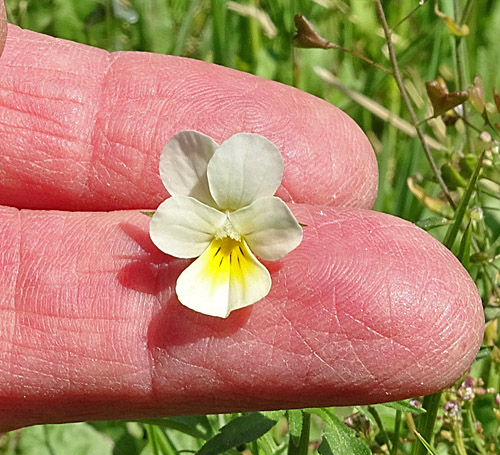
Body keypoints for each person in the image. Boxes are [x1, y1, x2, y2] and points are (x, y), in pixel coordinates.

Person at [0, 0, 483, 432]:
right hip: (218, 234)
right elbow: (178, 223)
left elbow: (219, 222)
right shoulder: (219, 217)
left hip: (217, 235)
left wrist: (220, 232)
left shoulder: (236, 218)